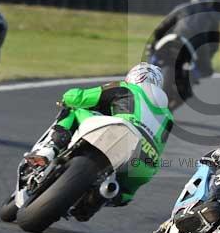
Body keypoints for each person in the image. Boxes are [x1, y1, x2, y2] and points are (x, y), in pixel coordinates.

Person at [22, 62, 174, 204]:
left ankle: (50, 149)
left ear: (133, 77)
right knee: (123, 194)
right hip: (145, 162)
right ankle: (100, 198)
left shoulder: (125, 88)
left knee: (74, 110)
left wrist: (67, 98)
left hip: (120, 133)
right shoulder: (168, 116)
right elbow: (159, 146)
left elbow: (78, 98)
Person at [149, 0, 220, 81]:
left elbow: (164, 25)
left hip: (176, 38)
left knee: (153, 50)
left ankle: (149, 68)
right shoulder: (213, 14)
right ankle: (194, 77)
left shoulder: (181, 7)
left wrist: (156, 39)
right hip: (197, 43)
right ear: (210, 0)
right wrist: (211, 52)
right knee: (207, 71)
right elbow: (214, 38)